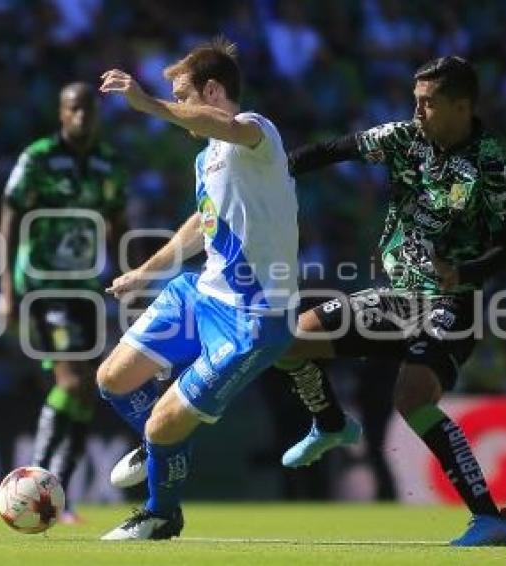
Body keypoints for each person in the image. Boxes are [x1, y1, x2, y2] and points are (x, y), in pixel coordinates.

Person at [275, 56, 506, 546]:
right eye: (415, 101)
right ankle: (329, 423)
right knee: (286, 342)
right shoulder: (403, 138)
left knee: (410, 398)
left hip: (452, 303)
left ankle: (491, 517)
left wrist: (466, 272)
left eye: (428, 103)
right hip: (395, 297)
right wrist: (270, 170)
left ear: (462, 105)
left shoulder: (490, 163)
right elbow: (331, 150)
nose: (418, 112)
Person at [95, 37, 298, 540]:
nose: (181, 107)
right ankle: (163, 444)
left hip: (255, 316)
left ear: (212, 89)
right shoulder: (206, 160)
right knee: (112, 378)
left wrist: (147, 104)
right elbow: (200, 227)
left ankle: (162, 512)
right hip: (199, 293)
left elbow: (222, 124)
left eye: (185, 95)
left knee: (162, 424)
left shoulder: (257, 133)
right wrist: (146, 271)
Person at [0, 82, 126, 523]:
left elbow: (118, 221)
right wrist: (6, 289)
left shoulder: (107, 162)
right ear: (61, 112)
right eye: (73, 109)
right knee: (72, 381)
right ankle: (29, 482)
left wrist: (129, 275)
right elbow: (9, 218)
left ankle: (58, 492)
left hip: (85, 289)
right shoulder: (36, 158)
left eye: (88, 109)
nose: (82, 116)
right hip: (41, 285)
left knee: (89, 390)